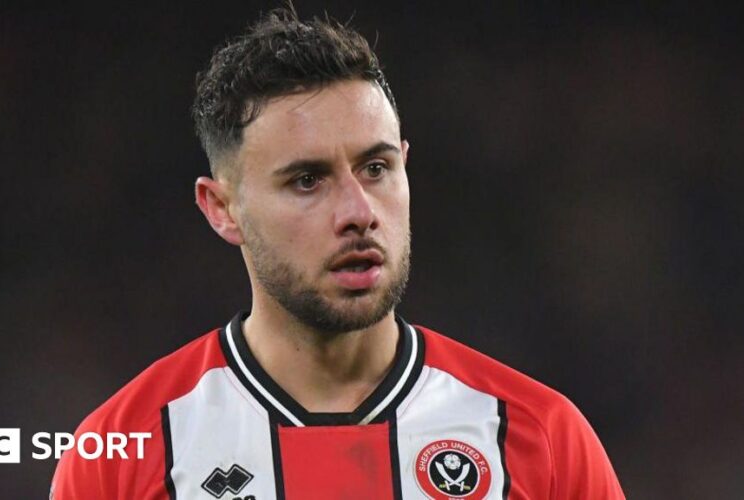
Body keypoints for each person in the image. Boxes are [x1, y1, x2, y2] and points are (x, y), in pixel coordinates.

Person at [51, 7, 624, 500]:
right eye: (307, 180)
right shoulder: (120, 456)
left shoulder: (540, 439)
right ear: (222, 208)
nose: (358, 211)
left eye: (376, 169)